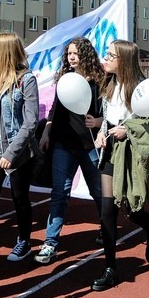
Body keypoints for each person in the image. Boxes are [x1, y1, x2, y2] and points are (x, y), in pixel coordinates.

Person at [91, 40, 149, 291]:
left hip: (131, 153)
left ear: (124, 60)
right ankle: (110, 267)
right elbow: (107, 119)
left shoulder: (142, 89)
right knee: (106, 210)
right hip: (110, 152)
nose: (106, 58)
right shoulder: (109, 85)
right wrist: (102, 133)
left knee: (130, 208)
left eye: (111, 55)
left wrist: (128, 130)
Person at [36, 37, 105, 263]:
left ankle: (106, 229)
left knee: (98, 192)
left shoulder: (98, 81)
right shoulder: (65, 80)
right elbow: (55, 110)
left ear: (85, 55)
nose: (72, 57)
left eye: (75, 53)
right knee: (60, 193)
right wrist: (47, 132)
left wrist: (98, 122)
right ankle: (50, 243)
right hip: (63, 145)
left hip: (88, 146)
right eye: (68, 54)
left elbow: (108, 113)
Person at [0, 32, 40, 262]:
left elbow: (31, 122)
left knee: (19, 197)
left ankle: (24, 240)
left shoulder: (26, 80)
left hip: (19, 153)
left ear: (5, 52)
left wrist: (11, 153)